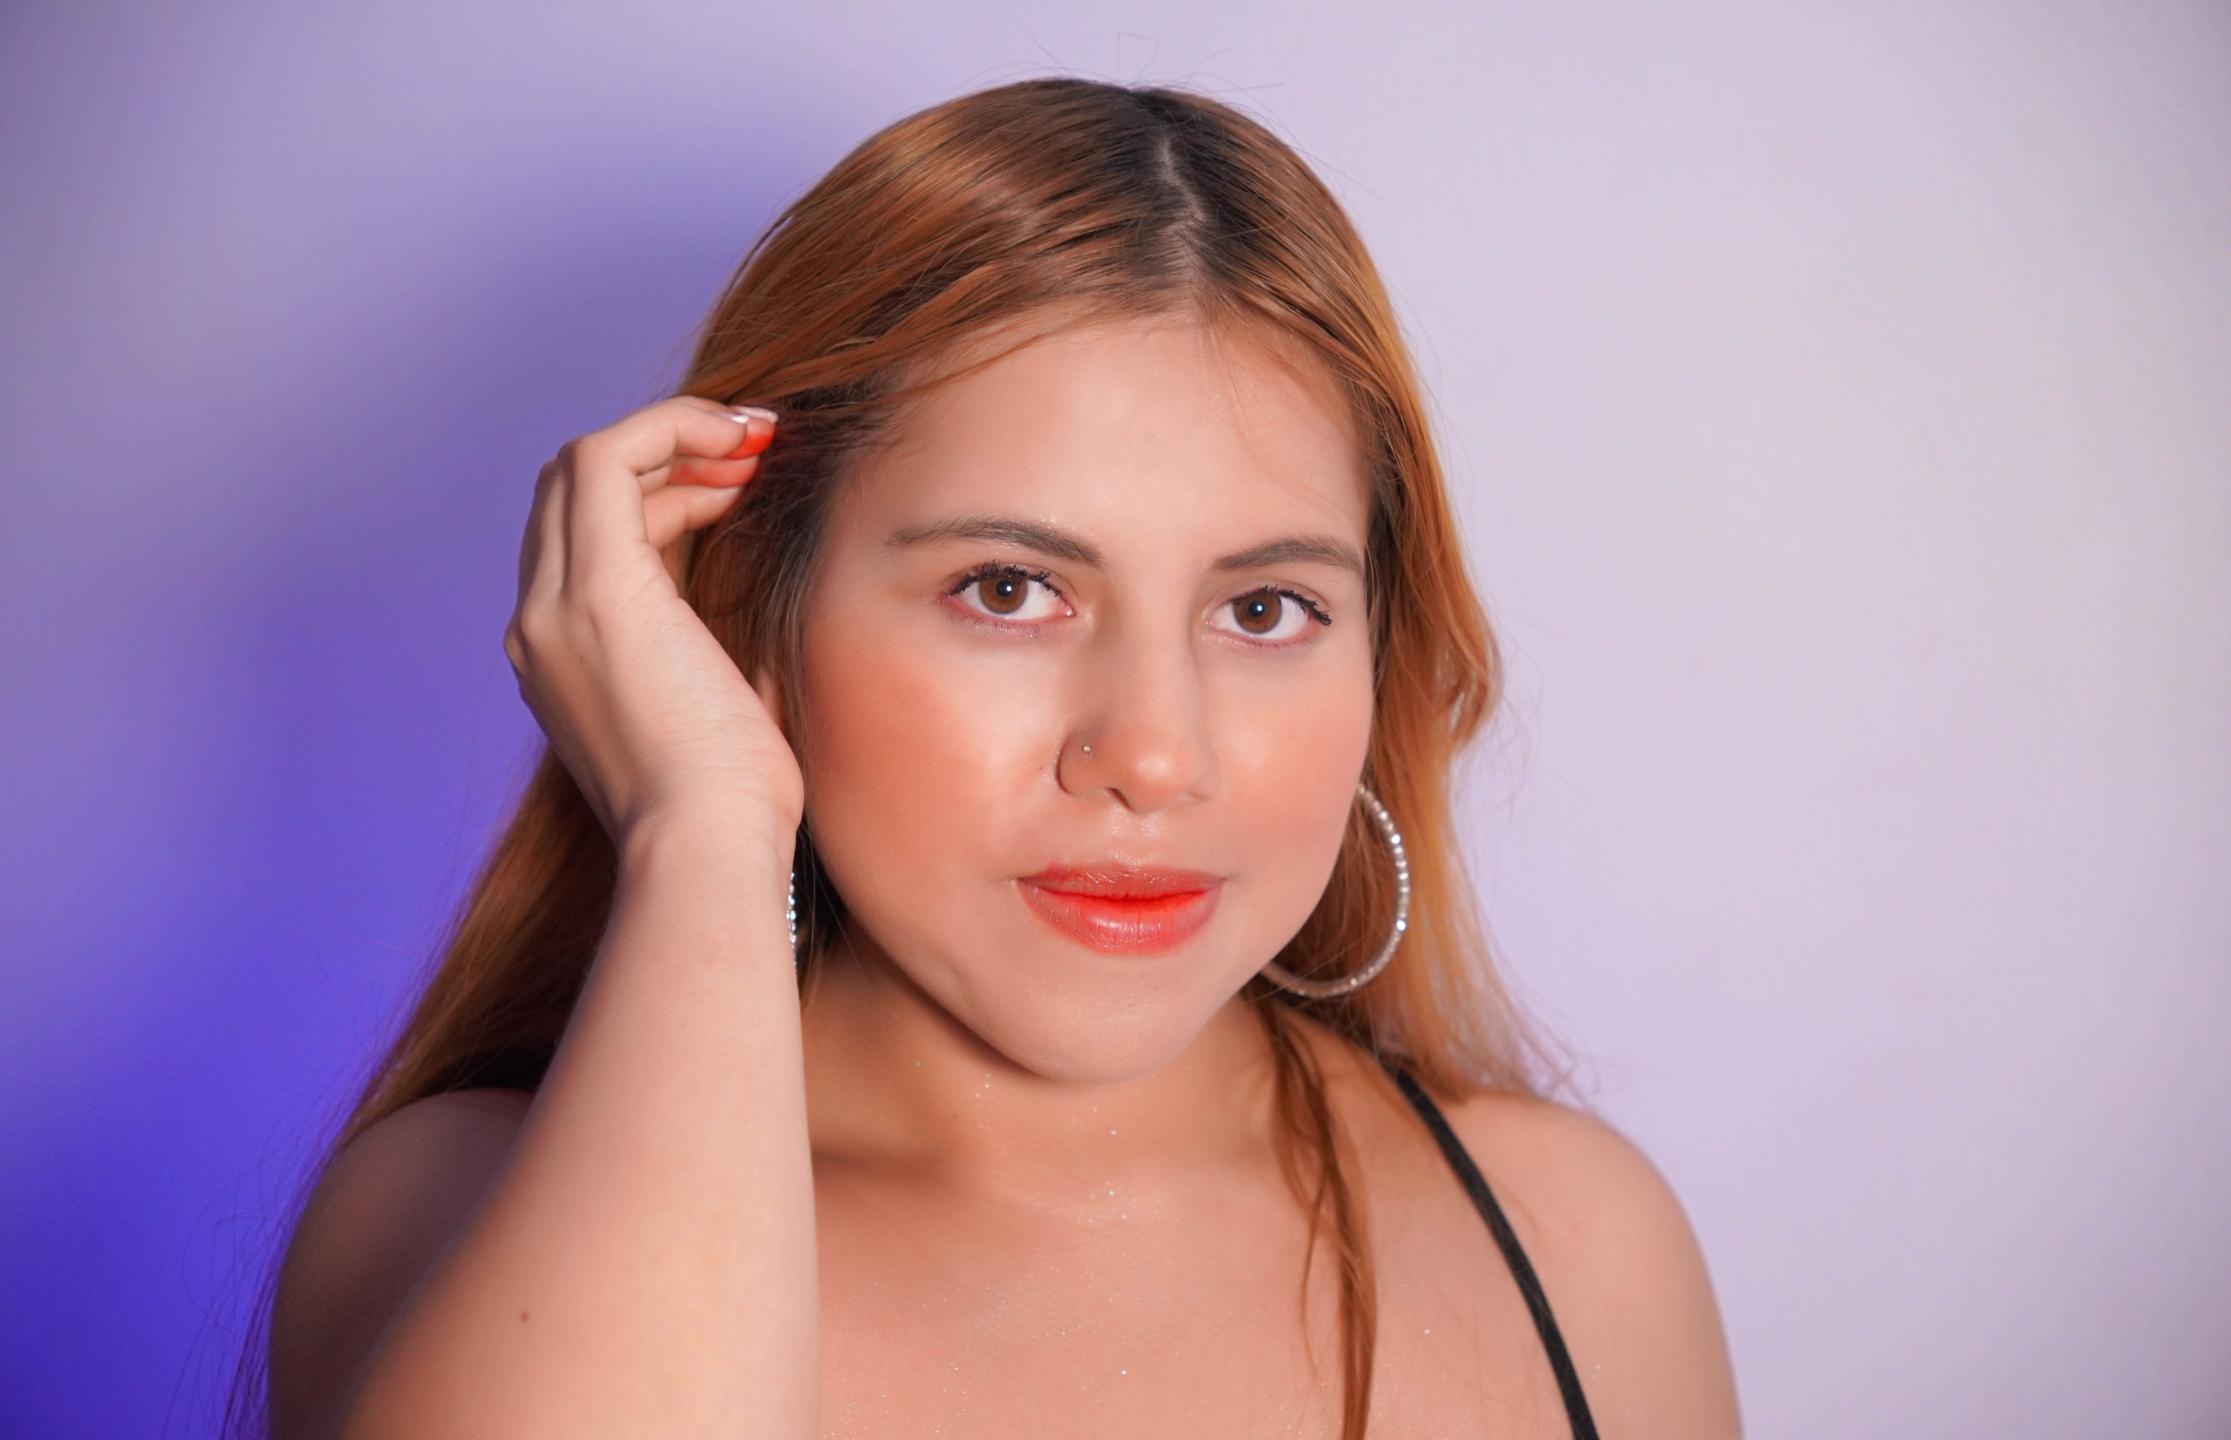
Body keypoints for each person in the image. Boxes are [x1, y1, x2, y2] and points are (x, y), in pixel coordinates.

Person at [230, 76, 1741, 1439]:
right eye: (1008, 590)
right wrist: (699, 827)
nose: (1152, 756)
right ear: (755, 616)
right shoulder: (449, 1217)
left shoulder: (1578, 1244)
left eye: (1264, 609)